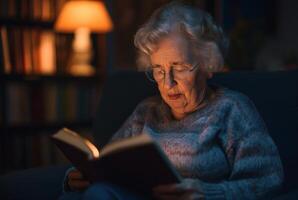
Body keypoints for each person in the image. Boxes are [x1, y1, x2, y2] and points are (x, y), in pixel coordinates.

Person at [59, 1, 283, 200]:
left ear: (208, 64)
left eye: (180, 67)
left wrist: (208, 193)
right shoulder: (146, 111)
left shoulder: (232, 109)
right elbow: (108, 163)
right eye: (158, 69)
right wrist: (83, 175)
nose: (168, 83)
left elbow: (268, 180)